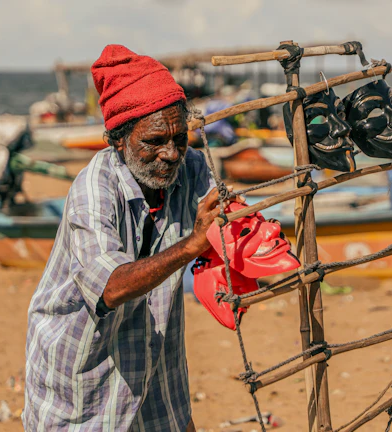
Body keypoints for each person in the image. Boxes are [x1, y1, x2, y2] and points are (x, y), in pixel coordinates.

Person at [23, 45, 240, 431]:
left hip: (155, 365)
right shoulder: (94, 192)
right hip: (85, 372)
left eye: (179, 137)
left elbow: (226, 213)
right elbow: (110, 287)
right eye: (154, 142)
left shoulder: (188, 166)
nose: (171, 154)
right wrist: (192, 245)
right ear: (118, 141)